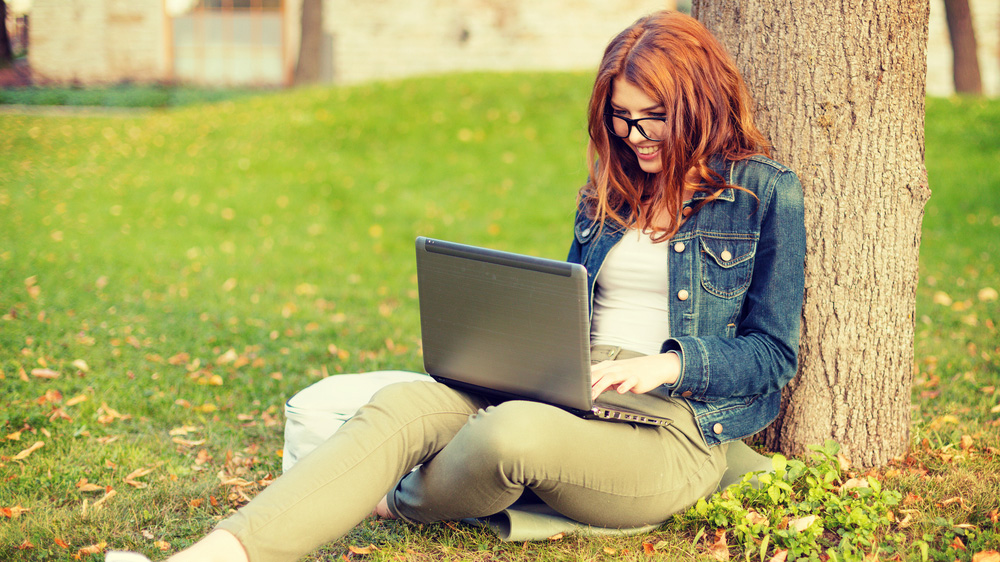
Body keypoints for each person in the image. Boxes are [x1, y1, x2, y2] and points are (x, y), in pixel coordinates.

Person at [107, 9, 805, 562]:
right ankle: (209, 556)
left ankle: (393, 501)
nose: (631, 136)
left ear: (697, 99)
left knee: (510, 435)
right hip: (569, 385)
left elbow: (775, 355)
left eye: (649, 117)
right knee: (405, 405)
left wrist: (672, 362)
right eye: (620, 118)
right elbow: (572, 297)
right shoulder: (610, 192)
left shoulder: (764, 195)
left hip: (672, 431)